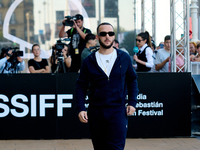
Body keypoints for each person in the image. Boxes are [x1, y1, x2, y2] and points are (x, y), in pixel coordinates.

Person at [76, 22, 139, 150]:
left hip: (118, 111)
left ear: (113, 36)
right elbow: (81, 86)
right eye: (103, 34)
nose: (107, 36)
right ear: (97, 37)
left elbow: (132, 80)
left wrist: (132, 102)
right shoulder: (89, 60)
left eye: (110, 33)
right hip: (96, 112)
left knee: (116, 148)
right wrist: (81, 108)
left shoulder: (124, 57)